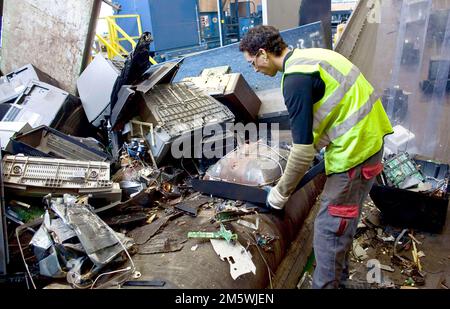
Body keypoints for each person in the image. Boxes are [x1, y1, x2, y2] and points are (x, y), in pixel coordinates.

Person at [239, 25, 393, 289]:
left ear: (263, 53)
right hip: (369, 140)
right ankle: (338, 283)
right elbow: (331, 112)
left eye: (252, 62)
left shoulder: (295, 78)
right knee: (341, 224)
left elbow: (301, 151)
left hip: (355, 152)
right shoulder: (313, 57)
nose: (254, 69)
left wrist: (280, 192)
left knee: (328, 229)